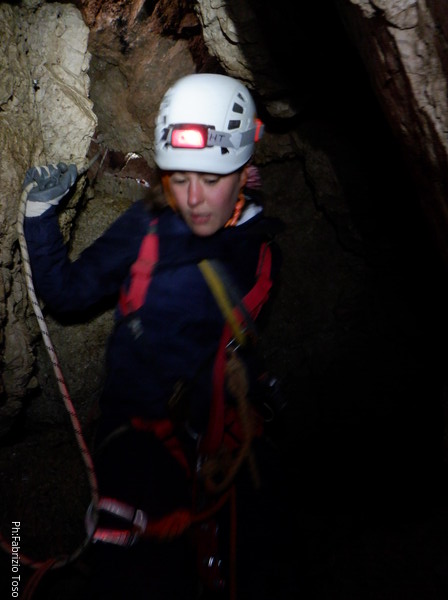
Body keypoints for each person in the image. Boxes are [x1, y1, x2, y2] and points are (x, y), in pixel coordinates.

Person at [23, 73, 286, 599]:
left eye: (211, 179)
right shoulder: (146, 228)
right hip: (139, 436)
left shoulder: (261, 246)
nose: (194, 198)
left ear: (244, 171)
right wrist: (39, 217)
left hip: (221, 436)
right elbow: (69, 293)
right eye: (180, 178)